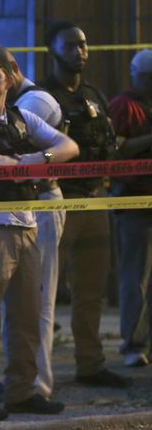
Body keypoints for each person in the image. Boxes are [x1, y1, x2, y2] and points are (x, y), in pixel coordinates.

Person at [0, 51, 78, 420]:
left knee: (26, 315)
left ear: (10, 79)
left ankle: (21, 390)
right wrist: (34, 164)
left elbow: (70, 147)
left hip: (28, 224)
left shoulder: (23, 118)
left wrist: (39, 161)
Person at [38, 21, 131, 389]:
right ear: (53, 51)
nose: (81, 52)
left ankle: (90, 364)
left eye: (84, 45)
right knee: (42, 292)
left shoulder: (94, 95)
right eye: (71, 46)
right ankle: (34, 370)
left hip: (94, 200)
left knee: (91, 290)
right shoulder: (41, 97)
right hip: (59, 200)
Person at [0, 47, 66, 400]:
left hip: (40, 204)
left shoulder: (34, 102)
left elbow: (9, 148)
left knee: (40, 300)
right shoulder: (8, 105)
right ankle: (22, 377)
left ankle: (38, 383)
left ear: (11, 71)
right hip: (22, 206)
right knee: (20, 301)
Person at [110, 49, 152, 368]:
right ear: (135, 76)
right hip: (134, 201)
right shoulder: (123, 105)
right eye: (147, 78)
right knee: (134, 275)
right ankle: (133, 344)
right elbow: (114, 149)